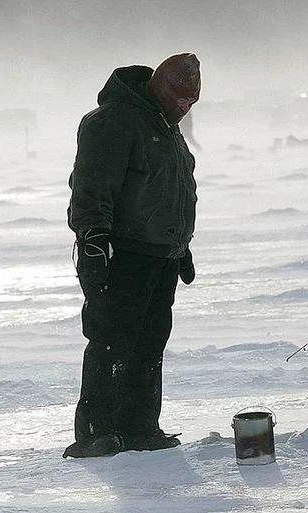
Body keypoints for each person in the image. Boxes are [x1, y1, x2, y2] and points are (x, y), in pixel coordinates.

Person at [63, 53, 200, 459]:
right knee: (111, 341)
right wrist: (92, 242)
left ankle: (139, 426)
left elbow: (171, 189)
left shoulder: (163, 124)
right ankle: (96, 431)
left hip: (161, 255)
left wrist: (181, 245)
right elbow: (90, 188)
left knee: (150, 343)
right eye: (180, 100)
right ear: (161, 88)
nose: (184, 109)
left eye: (191, 103)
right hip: (121, 254)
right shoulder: (112, 121)